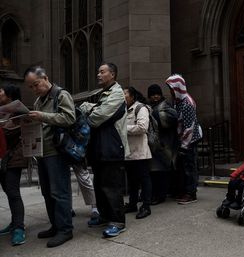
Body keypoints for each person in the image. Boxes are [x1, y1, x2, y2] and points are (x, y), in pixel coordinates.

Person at [24, 66, 75, 247]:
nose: (34, 90)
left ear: (45, 77)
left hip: (56, 151)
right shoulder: (39, 101)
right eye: (31, 87)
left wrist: (42, 116)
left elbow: (69, 118)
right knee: (47, 192)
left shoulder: (61, 95)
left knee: (59, 192)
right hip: (42, 152)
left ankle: (65, 229)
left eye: (36, 85)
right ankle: (55, 225)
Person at [80, 62, 130, 237]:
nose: (98, 75)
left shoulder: (117, 94)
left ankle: (117, 221)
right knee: (99, 185)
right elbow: (95, 112)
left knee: (111, 186)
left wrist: (89, 109)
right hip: (99, 147)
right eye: (98, 72)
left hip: (112, 147)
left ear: (113, 74)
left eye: (102, 72)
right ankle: (104, 215)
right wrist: (92, 109)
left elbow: (96, 118)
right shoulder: (104, 94)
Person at [165, 74, 202, 204]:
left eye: (171, 88)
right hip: (183, 139)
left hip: (190, 140)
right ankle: (184, 190)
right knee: (183, 166)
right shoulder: (178, 101)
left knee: (189, 166)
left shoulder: (187, 103)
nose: (170, 91)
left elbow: (189, 128)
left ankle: (191, 193)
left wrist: (184, 146)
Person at [0, 84, 28, 246]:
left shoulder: (18, 112)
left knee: (13, 191)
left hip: (13, 158)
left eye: (1, 92)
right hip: (2, 158)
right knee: (8, 191)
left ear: (9, 96)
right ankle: (14, 223)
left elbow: (14, 133)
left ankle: (19, 227)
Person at [123, 86, 152, 219]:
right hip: (129, 152)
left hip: (140, 152)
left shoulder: (141, 108)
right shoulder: (124, 109)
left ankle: (146, 206)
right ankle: (132, 203)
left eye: (125, 95)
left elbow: (142, 127)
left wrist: (122, 129)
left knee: (144, 180)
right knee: (132, 181)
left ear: (132, 97)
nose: (123, 97)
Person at [147, 84, 178, 205]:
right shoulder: (151, 106)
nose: (155, 96)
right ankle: (156, 194)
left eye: (157, 94)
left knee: (161, 172)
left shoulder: (165, 105)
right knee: (155, 172)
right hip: (155, 145)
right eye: (152, 94)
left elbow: (173, 117)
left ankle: (160, 195)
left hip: (165, 144)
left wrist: (155, 115)